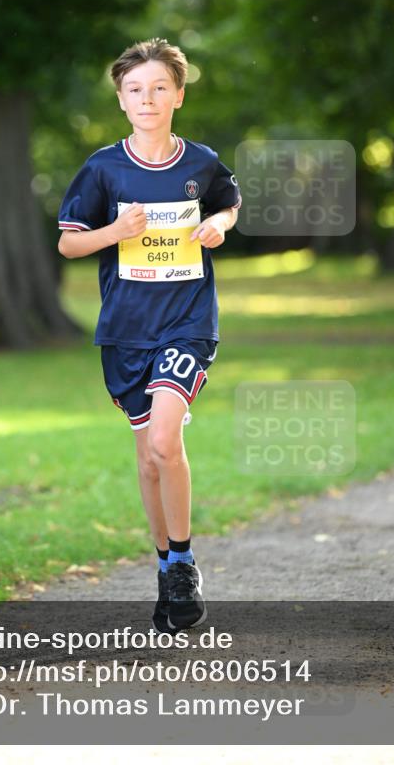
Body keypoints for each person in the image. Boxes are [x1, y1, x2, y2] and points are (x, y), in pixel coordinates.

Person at [57, 38, 241, 632]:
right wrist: (115, 229)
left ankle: (184, 564)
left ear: (178, 95)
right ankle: (165, 569)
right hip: (126, 330)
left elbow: (228, 204)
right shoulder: (103, 168)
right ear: (120, 100)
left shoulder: (201, 164)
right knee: (147, 455)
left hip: (187, 324)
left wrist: (215, 224)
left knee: (166, 441)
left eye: (160, 87)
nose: (148, 98)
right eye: (135, 89)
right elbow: (69, 242)